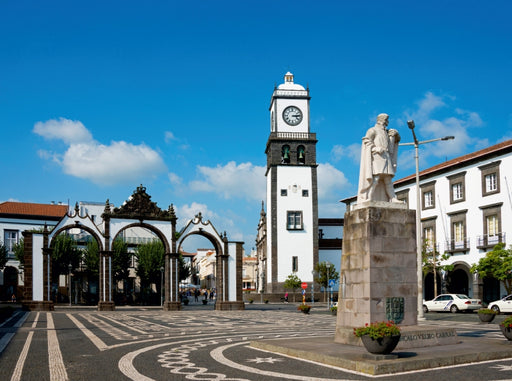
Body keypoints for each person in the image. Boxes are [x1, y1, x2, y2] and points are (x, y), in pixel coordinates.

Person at [357, 113, 401, 203]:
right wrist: (375, 148)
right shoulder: (372, 130)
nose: (387, 122)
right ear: (381, 120)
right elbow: (366, 142)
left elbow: (395, 141)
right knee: (376, 178)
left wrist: (395, 135)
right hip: (377, 157)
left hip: (386, 156)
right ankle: (369, 197)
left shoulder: (387, 132)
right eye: (386, 120)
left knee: (388, 179)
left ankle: (393, 198)